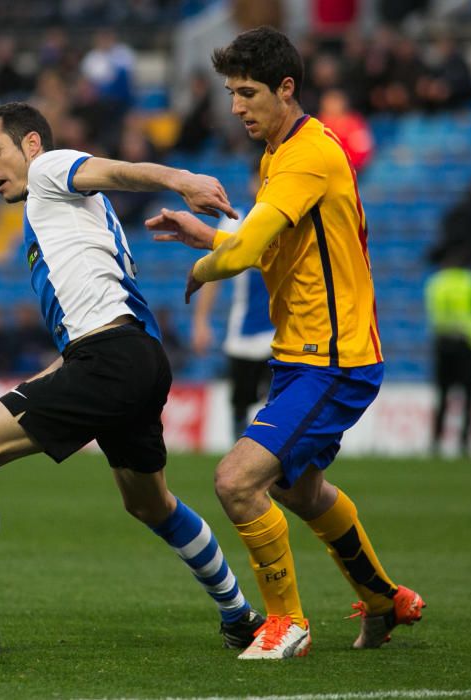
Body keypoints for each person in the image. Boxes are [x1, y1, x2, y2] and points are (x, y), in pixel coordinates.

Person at [0, 101, 263, 658]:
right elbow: (90, 323)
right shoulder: (60, 214)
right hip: (136, 356)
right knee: (150, 504)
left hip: (112, 360)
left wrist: (180, 178)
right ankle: (240, 616)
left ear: (29, 146)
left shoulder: (48, 170)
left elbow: (112, 170)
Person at [148, 26, 425, 660]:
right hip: (304, 356)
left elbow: (248, 249)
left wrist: (207, 265)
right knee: (299, 491)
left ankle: (285, 623)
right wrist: (208, 238)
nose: (237, 105)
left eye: (248, 92)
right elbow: (266, 245)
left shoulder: (305, 154)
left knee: (237, 481)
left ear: (287, 88)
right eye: (230, 93)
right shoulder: (280, 153)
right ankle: (384, 599)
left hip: (334, 359)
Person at [191, 196, 273, 442]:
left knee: (278, 398)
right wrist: (201, 321)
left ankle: (274, 453)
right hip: (243, 332)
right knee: (241, 401)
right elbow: (215, 273)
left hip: (281, 331)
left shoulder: (288, 215)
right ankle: (240, 450)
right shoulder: (234, 221)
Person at [424, 251, 471, 457]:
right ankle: (464, 443)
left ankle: (436, 441)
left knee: (443, 395)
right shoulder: (469, 282)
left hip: (442, 343)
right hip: (467, 344)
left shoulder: (436, 282)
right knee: (467, 395)